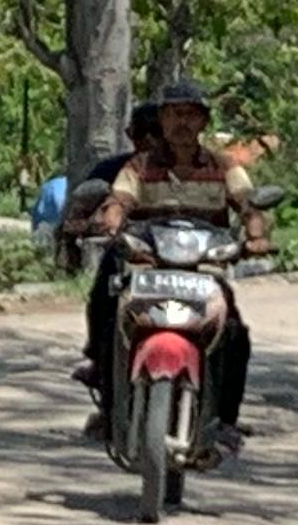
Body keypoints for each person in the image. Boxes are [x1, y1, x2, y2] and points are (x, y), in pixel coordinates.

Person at [77, 77, 267, 443]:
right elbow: (119, 201)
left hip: (206, 274)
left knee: (234, 336)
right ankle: (110, 406)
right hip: (148, 271)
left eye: (191, 115)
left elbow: (248, 203)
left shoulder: (224, 166)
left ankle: (224, 421)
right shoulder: (139, 167)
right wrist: (110, 223)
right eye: (173, 115)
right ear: (161, 120)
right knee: (112, 323)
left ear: (204, 122)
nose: (182, 123)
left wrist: (256, 234)